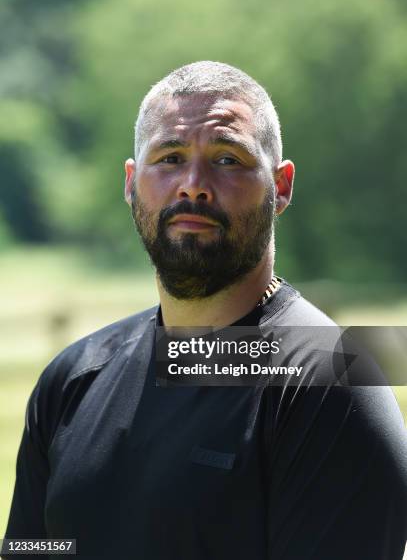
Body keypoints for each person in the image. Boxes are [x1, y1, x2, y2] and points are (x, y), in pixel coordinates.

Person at [2, 61, 406, 559]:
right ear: (131, 183)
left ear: (281, 186)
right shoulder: (71, 380)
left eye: (228, 159)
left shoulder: (327, 383)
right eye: (169, 158)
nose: (193, 184)